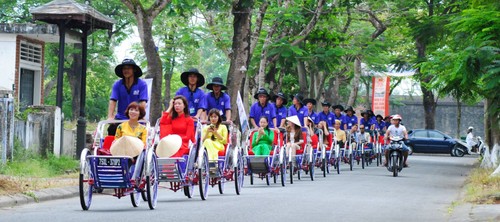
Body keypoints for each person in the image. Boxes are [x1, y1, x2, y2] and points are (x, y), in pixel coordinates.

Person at [107, 59, 149, 135]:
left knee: (139, 135)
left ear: (134, 70)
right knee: (111, 130)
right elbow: (113, 100)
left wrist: (141, 116)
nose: (126, 71)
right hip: (120, 118)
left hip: (136, 118)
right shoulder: (117, 84)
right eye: (124, 68)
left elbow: (143, 102)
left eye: (128, 68)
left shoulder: (142, 84)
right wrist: (110, 116)